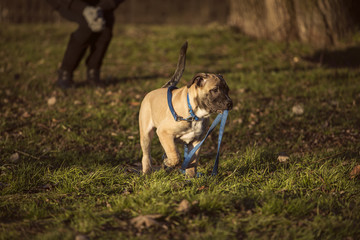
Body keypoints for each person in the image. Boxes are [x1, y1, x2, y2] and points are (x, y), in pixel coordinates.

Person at [46, 0, 125, 89]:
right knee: (86, 24)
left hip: (98, 4)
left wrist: (101, 7)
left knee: (105, 25)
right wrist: (83, 8)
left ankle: (93, 73)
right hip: (67, 2)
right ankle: (65, 73)